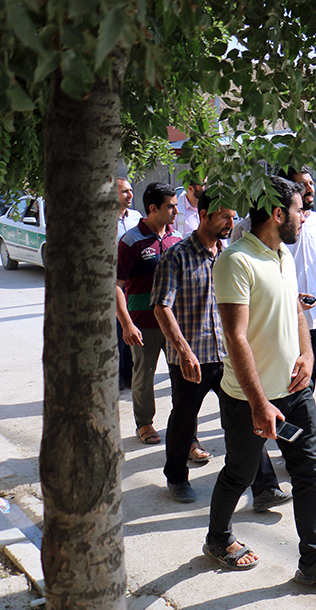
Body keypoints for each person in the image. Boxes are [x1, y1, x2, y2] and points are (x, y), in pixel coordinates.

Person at [205, 175, 316, 591]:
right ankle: (218, 538)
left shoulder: (283, 254)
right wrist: (258, 404)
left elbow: (295, 310)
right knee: (239, 473)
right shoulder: (236, 261)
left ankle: (312, 560)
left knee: (309, 473)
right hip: (249, 400)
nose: (304, 216)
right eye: (298, 210)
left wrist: (307, 354)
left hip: (295, 392)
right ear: (277, 214)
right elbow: (235, 336)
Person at [151, 193, 291, 509]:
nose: (231, 222)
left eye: (233, 216)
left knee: (246, 415)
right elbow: (161, 306)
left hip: (228, 355)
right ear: (204, 215)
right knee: (184, 419)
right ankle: (176, 477)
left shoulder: (230, 256)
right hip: (192, 358)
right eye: (224, 216)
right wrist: (183, 351)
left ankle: (265, 487)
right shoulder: (176, 256)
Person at [116, 183, 183, 444]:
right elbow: (117, 286)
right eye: (171, 206)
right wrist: (127, 324)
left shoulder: (177, 239)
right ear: (153, 208)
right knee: (143, 375)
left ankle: (186, 429)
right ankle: (144, 424)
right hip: (143, 323)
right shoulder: (130, 241)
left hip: (175, 322)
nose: (176, 211)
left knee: (183, 375)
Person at [279, 167, 316, 391]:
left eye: (311, 183)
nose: (310, 188)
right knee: (288, 377)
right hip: (287, 311)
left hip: (314, 312)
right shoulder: (281, 225)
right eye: (302, 184)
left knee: (310, 374)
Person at [116, 177, 141, 392]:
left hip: (133, 283)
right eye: (125, 191)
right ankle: (115, 376)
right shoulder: (101, 221)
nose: (130, 195)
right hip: (113, 283)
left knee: (131, 327)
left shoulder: (136, 217)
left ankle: (130, 374)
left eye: (130, 190)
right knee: (115, 330)